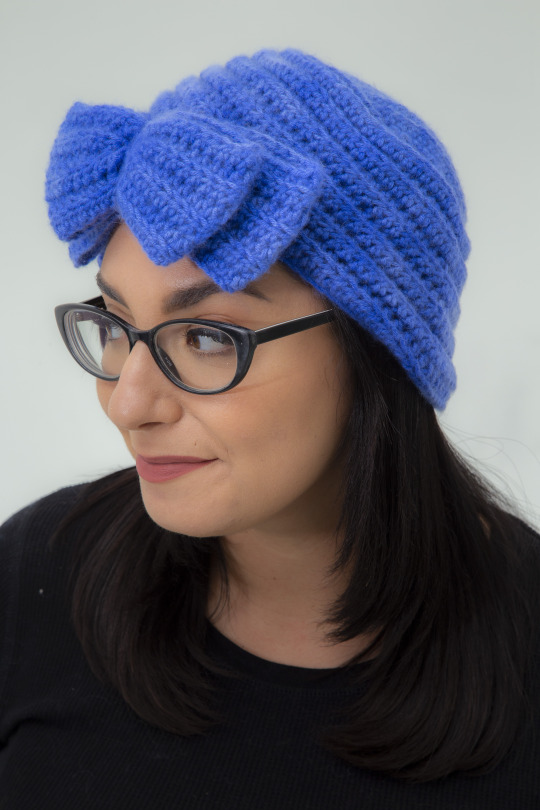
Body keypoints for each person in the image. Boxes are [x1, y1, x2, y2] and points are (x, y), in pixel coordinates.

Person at [1, 48, 538, 809]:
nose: (128, 405)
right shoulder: (34, 574)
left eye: (208, 337)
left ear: (377, 355)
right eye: (116, 325)